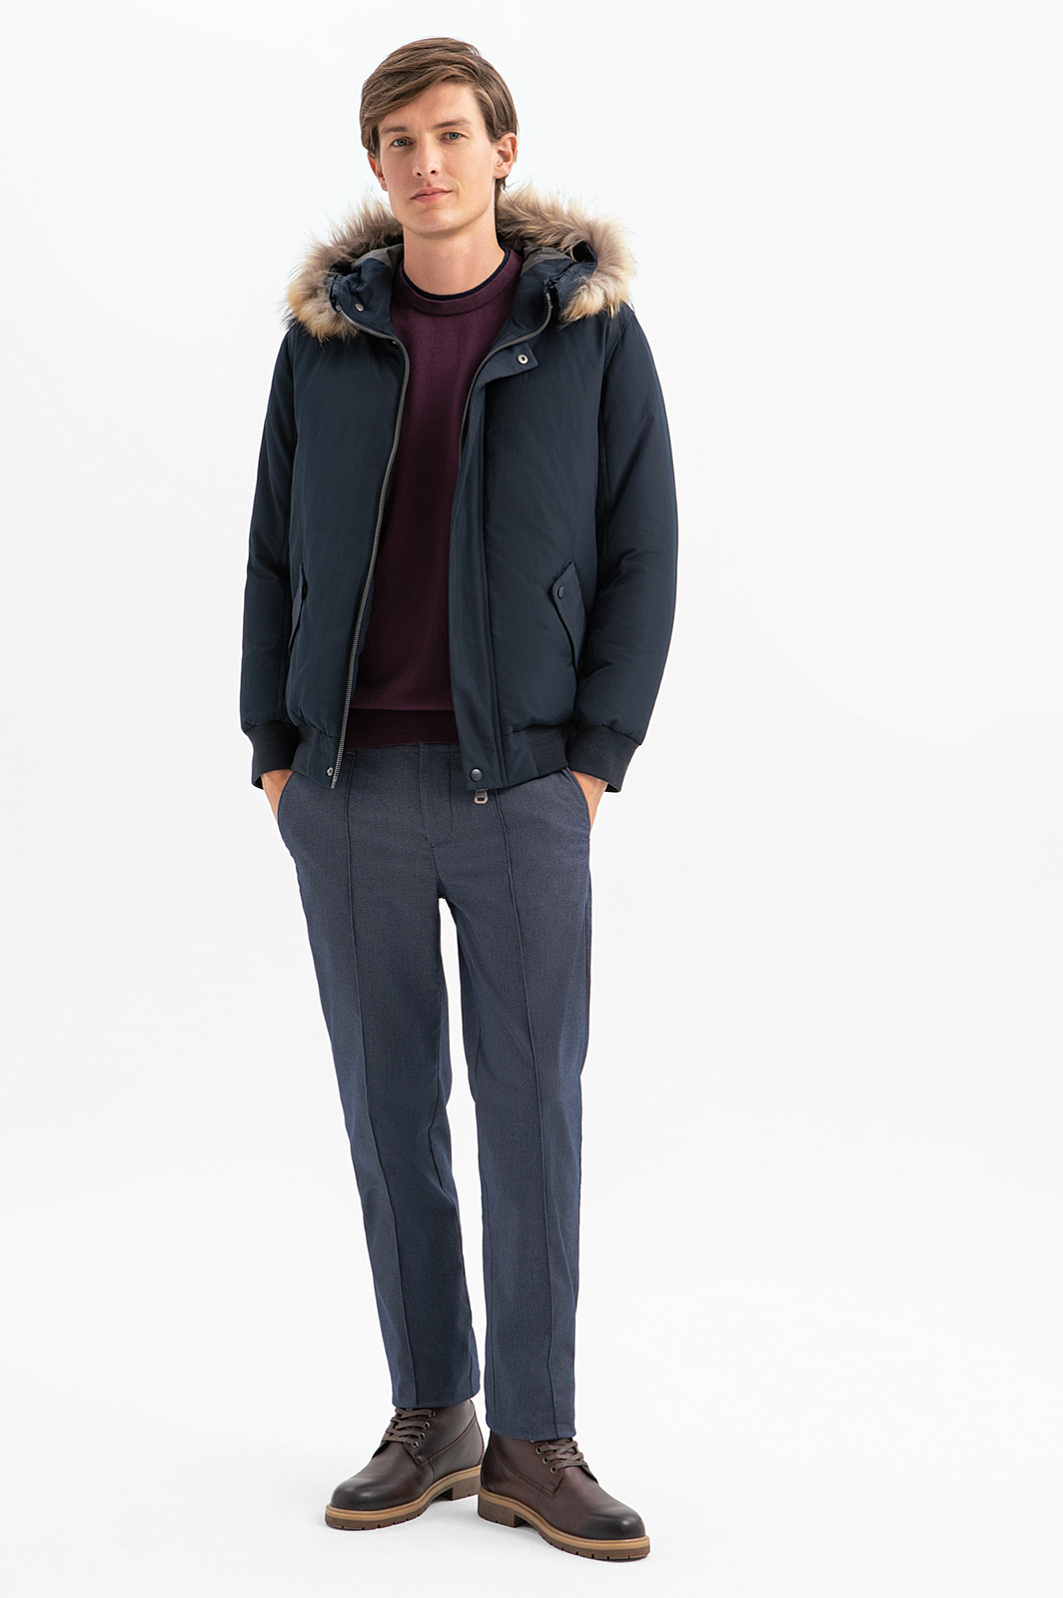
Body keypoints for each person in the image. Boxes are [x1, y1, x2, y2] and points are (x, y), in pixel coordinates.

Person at [239, 36, 678, 1563]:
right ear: (376, 167)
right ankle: (432, 1410)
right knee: (389, 1108)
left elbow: (643, 547)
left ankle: (534, 1440)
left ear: (502, 147)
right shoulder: (325, 344)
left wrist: (594, 756)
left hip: (525, 785)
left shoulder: (586, 330)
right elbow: (272, 547)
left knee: (531, 1106)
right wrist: (274, 748)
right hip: (348, 782)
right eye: (398, 142)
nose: (425, 163)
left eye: (448, 134)